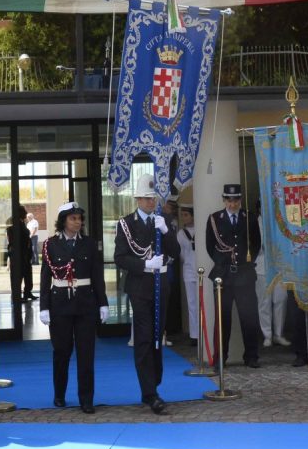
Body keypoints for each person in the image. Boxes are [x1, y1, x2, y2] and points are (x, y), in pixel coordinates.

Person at [114, 174, 180, 415]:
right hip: (140, 286)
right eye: (147, 199)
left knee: (157, 334)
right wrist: (144, 265)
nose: (152, 203)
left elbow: (176, 251)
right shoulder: (126, 224)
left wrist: (167, 231)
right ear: (138, 200)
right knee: (143, 337)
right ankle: (150, 392)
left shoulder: (161, 221)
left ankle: (153, 383)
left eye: (153, 199)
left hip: (161, 283)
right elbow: (120, 257)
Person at [38, 202, 109, 414]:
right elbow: (45, 278)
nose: (78, 222)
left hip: (85, 304)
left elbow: (97, 275)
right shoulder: (50, 244)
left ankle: (86, 398)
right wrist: (44, 307)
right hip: (59, 304)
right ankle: (59, 394)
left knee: (86, 353)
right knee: (61, 352)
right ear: (63, 221)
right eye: (73, 218)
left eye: (79, 218)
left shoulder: (89, 244)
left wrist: (103, 302)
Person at [205, 183, 263, 368]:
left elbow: (256, 243)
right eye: (229, 200)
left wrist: (245, 262)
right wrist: (223, 262)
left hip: (244, 275)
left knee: (249, 317)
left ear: (240, 200)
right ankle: (220, 357)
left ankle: (252, 356)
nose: (232, 204)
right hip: (223, 275)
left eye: (236, 200)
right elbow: (210, 245)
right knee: (222, 319)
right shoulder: (215, 218)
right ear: (224, 200)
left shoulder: (249, 218)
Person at [253, 200, 289, 348]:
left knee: (281, 299)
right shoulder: (254, 224)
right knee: (264, 302)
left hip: (280, 266)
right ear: (260, 208)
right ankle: (267, 335)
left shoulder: (280, 223)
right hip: (261, 266)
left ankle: (278, 334)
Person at [175, 203, 199, 345]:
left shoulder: (200, 229)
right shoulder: (180, 234)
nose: (184, 218)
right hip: (189, 271)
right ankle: (194, 334)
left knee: (202, 301)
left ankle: (203, 331)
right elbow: (181, 254)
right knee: (191, 303)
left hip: (201, 270)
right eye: (182, 215)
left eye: (186, 215)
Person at [6, 205, 35, 303]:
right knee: (18, 277)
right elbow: (21, 238)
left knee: (27, 275)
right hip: (20, 255)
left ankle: (27, 293)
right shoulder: (16, 224)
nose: (26, 214)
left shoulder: (20, 223)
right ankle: (17, 296)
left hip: (24, 255)